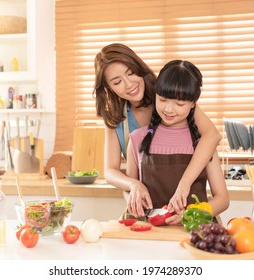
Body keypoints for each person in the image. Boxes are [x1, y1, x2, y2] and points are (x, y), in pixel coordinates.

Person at [93, 43, 222, 217]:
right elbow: (110, 171)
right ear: (108, 88)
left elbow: (212, 136)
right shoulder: (116, 117)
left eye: (131, 73)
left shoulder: (167, 95)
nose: (129, 84)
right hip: (148, 215)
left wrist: (185, 185)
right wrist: (133, 186)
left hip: (189, 213)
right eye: (117, 82)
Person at [126, 60, 229, 224]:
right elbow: (129, 188)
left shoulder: (203, 144)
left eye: (179, 104)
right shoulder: (137, 138)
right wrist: (132, 200)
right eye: (163, 99)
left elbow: (222, 199)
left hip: (194, 234)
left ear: (193, 104)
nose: (168, 109)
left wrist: (192, 214)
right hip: (150, 233)